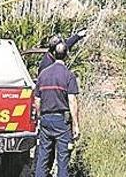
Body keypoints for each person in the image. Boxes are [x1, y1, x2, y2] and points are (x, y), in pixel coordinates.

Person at [33, 42, 80, 177]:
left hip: (46, 120)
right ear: (67, 55)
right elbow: (72, 100)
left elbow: (37, 100)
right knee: (63, 160)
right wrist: (76, 125)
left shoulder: (43, 75)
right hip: (62, 122)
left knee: (42, 157)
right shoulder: (69, 76)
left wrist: (40, 117)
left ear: (53, 54)